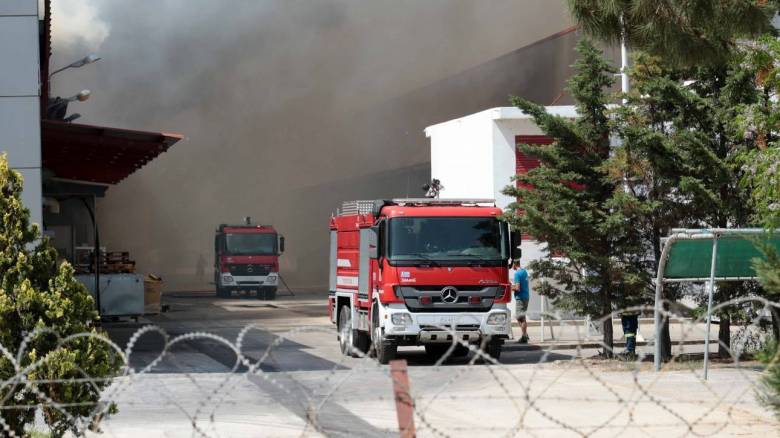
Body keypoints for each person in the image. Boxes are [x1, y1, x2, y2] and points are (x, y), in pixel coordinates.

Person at [512, 260, 530, 343]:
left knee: (520, 318)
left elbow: (517, 288)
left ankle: (524, 336)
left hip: (520, 298)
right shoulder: (524, 272)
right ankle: (525, 335)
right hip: (526, 296)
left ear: (514, 264)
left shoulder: (517, 274)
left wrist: (509, 287)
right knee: (522, 317)